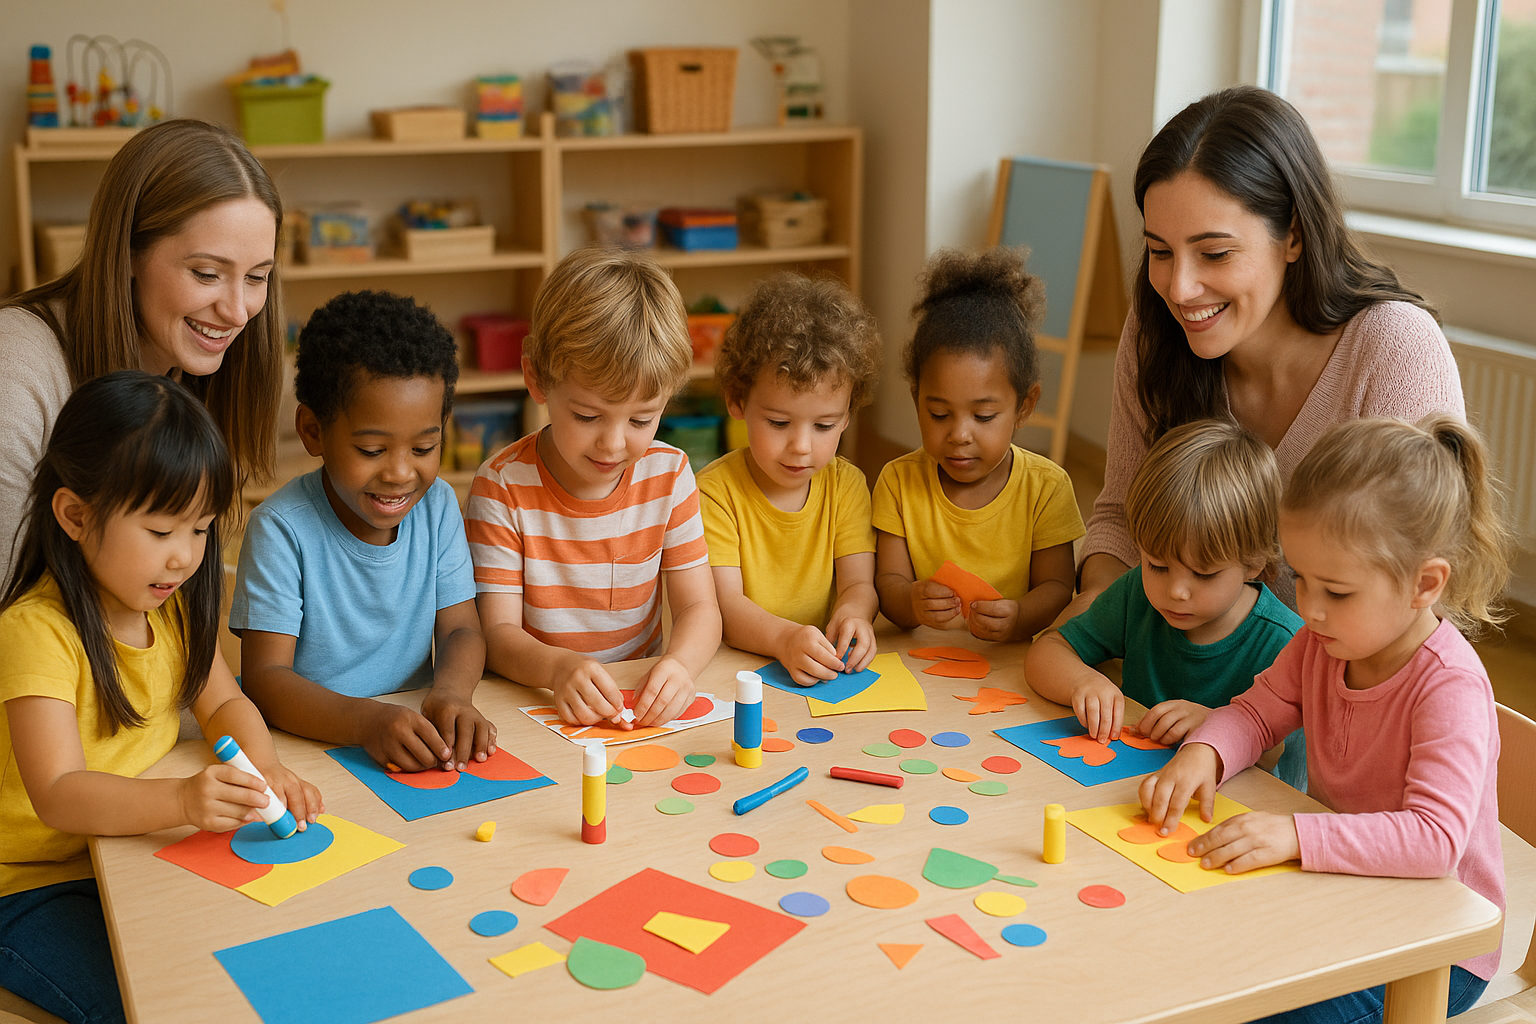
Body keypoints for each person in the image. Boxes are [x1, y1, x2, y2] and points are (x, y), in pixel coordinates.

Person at [1141, 415, 1510, 1023]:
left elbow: (1434, 841)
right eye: (1301, 580)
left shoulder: (1450, 686)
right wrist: (1203, 753)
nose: (1308, 609)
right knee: (1195, 964)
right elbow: (1256, 715)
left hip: (1434, 950)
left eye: (1335, 592)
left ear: (1424, 584)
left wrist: (1294, 835)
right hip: (1342, 895)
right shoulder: (1321, 643)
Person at [0, 371, 321, 1024]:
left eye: (200, 530)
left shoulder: (167, 609)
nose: (185, 558)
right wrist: (180, 799)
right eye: (160, 531)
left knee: (253, 968)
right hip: (33, 883)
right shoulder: (34, 632)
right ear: (75, 515)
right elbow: (59, 790)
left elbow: (226, 705)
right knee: (155, 1005)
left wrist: (267, 768)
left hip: (129, 851)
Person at [1075, 85, 1463, 617]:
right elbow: (1121, 518)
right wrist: (1094, 621)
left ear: (1295, 236)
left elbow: (1407, 607)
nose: (1179, 288)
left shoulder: (1395, 350)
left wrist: (1257, 700)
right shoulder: (1154, 325)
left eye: (1214, 253)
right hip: (1185, 675)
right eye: (1159, 251)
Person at [0, 119, 285, 581]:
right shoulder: (17, 368)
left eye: (256, 278)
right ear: (128, 252)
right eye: (207, 274)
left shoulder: (192, 371)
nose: (237, 312)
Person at [231, 291, 493, 774]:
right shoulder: (280, 529)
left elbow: (461, 628)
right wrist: (365, 722)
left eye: (423, 447)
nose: (399, 473)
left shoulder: (436, 507)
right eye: (372, 450)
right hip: (307, 752)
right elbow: (266, 679)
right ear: (312, 431)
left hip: (408, 737)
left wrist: (452, 695)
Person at [467, 247, 722, 728]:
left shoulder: (669, 475)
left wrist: (680, 666)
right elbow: (497, 634)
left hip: (633, 709)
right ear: (536, 380)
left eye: (641, 419)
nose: (612, 443)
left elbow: (699, 608)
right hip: (531, 703)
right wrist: (557, 667)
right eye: (586, 416)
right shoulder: (502, 487)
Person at [1026, 420, 1306, 789]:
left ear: (1255, 562)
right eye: (1157, 565)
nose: (1176, 591)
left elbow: (1286, 766)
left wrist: (1218, 727)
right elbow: (1047, 650)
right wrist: (1083, 682)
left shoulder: (1287, 643)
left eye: (1203, 574)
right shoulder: (1137, 596)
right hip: (1123, 791)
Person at [873, 247, 1083, 642]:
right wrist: (911, 601)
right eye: (938, 414)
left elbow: (1057, 588)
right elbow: (888, 583)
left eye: (983, 417)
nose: (959, 434)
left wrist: (1020, 616)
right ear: (917, 399)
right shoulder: (897, 483)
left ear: (1025, 407)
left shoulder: (1046, 488)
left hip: (1012, 663)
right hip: (920, 659)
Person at [699, 272, 882, 684]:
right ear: (737, 400)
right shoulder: (713, 494)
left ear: (847, 416)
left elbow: (858, 584)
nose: (801, 446)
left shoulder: (847, 485)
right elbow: (725, 606)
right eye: (779, 422)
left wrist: (855, 616)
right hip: (738, 673)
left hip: (825, 673)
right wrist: (785, 639)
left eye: (824, 426)